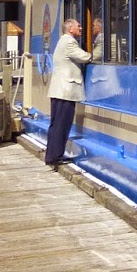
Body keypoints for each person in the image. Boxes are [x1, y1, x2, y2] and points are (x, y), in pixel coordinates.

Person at [45, 18, 99, 167]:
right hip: (65, 91)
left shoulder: (63, 41)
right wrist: (100, 48)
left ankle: (52, 155)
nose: (81, 28)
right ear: (70, 29)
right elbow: (85, 57)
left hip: (60, 91)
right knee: (62, 125)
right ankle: (55, 157)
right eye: (78, 26)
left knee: (56, 124)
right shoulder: (69, 42)